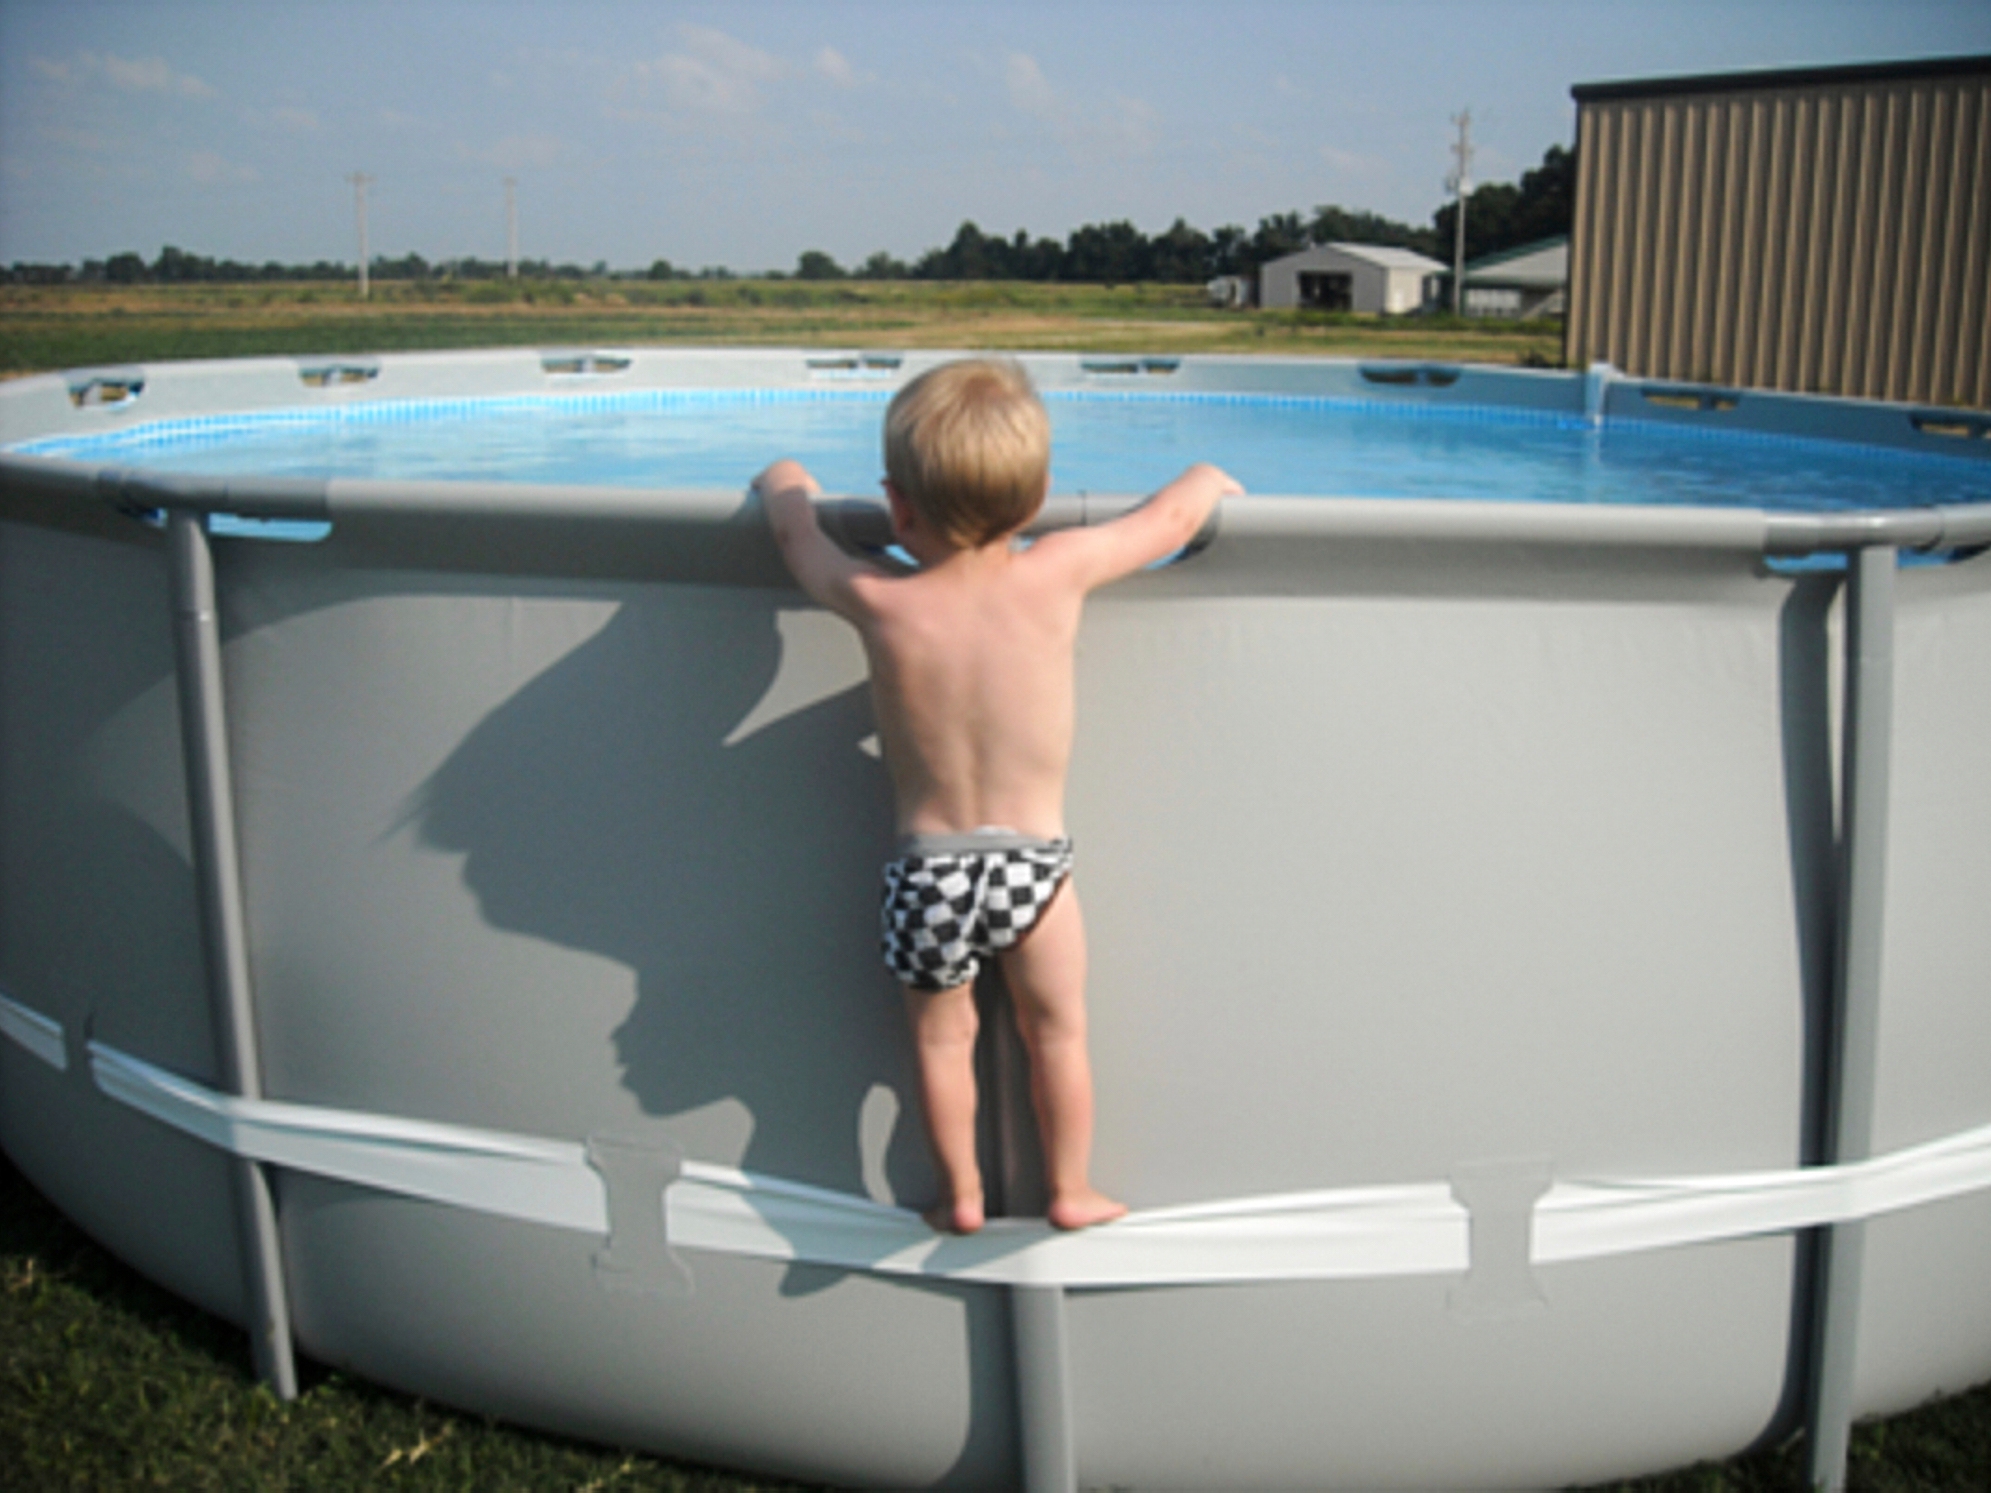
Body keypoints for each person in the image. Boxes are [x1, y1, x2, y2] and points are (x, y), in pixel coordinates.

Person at [754, 357, 1240, 1234]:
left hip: (925, 872)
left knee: (943, 1041)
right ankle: (1070, 1186)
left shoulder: (880, 600)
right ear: (1037, 495)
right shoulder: (1057, 569)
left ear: (898, 505)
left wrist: (786, 482)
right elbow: (1166, 520)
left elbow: (799, 542)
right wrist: (1206, 476)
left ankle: (961, 1195)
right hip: (1033, 868)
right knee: (1055, 1031)